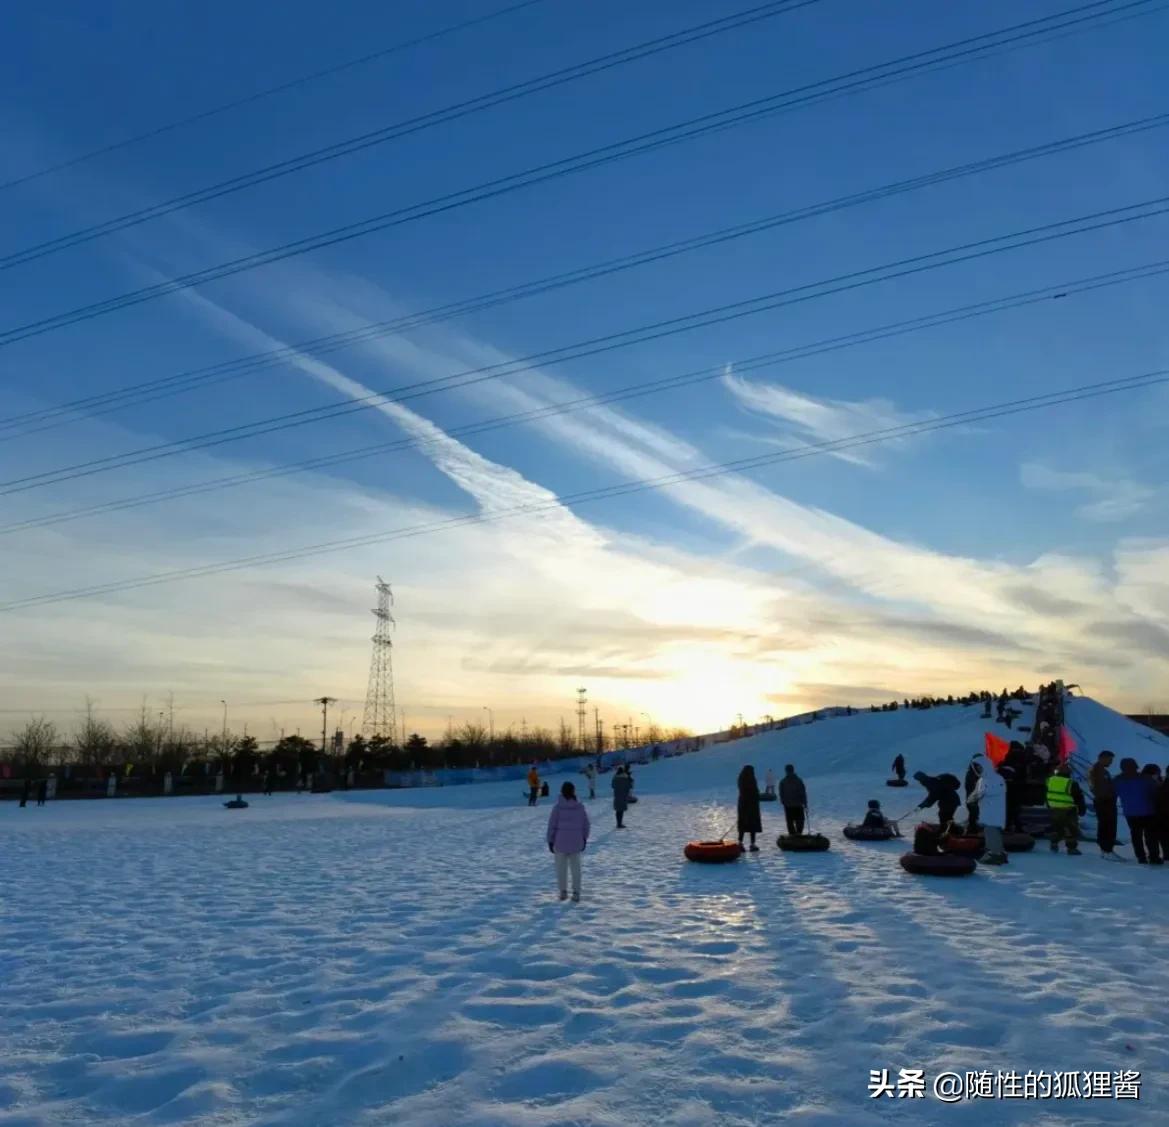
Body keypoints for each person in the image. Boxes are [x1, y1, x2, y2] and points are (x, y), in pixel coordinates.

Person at [547, 780, 590, 902]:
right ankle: (576, 892)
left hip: (560, 842)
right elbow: (586, 824)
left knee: (561, 868)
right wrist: (584, 838)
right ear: (573, 792)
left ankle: (563, 892)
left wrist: (550, 840)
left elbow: (552, 825)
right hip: (576, 842)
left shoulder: (557, 808)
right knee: (576, 869)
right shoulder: (580, 807)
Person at [1114, 758, 1161, 864]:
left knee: (1136, 835)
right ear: (1135, 766)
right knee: (1150, 835)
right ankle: (1154, 857)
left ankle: (1141, 857)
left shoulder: (1117, 780)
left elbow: (1113, 793)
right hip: (1148, 811)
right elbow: (1156, 793)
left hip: (1130, 812)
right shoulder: (1146, 779)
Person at [967, 753, 1007, 864]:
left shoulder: (997, 778)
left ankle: (996, 854)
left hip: (995, 811)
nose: (978, 769)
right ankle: (996, 852)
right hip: (985, 811)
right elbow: (976, 792)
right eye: (976, 767)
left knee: (993, 832)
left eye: (979, 766)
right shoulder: (981, 780)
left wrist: (983, 793)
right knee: (989, 832)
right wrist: (971, 798)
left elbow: (999, 790)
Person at [1046, 763, 1087, 855]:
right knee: (1071, 828)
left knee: (1057, 827)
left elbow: (1046, 793)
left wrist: (1049, 804)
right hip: (1068, 809)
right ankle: (1071, 848)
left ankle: (1054, 843)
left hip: (1054, 808)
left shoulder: (1049, 780)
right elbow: (1078, 797)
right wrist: (1082, 809)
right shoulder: (1071, 783)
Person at [1088, 750, 1118, 858]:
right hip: (1104, 801)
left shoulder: (1103, 770)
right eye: (1109, 760)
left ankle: (1108, 849)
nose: (1110, 762)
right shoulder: (1096, 770)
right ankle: (1106, 849)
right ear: (1103, 758)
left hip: (1107, 801)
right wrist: (1106, 795)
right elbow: (1096, 787)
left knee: (1109, 825)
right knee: (1106, 825)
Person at [737, 766, 762, 852]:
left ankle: (740, 843)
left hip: (743, 804)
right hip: (751, 805)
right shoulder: (751, 779)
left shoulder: (741, 779)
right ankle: (752, 844)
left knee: (742, 824)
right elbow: (754, 792)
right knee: (752, 825)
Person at [779, 764, 807, 836]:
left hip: (788, 805)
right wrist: (805, 803)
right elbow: (803, 792)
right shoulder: (798, 780)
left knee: (790, 821)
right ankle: (798, 833)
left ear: (786, 771)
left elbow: (781, 793)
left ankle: (792, 835)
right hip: (798, 804)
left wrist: (783, 801)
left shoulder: (783, 781)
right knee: (800, 820)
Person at [612, 765, 633, 829]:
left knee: (618, 810)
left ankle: (618, 823)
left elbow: (612, 786)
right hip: (623, 796)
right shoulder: (625, 778)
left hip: (617, 796)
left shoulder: (615, 778)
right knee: (621, 811)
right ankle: (619, 824)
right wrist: (629, 777)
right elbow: (630, 786)